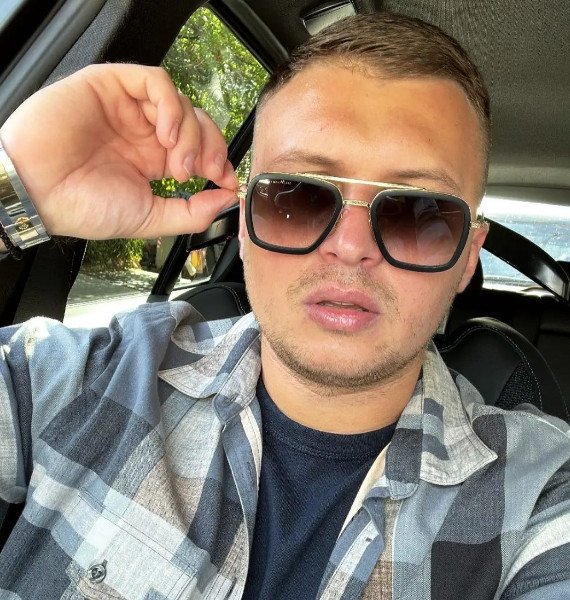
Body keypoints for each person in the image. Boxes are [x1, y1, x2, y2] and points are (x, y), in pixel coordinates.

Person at [0, 12, 569, 600]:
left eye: (417, 215)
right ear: (245, 222)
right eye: (297, 197)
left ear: (467, 256)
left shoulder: (542, 496)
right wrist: (14, 193)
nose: (350, 248)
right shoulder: (86, 377)